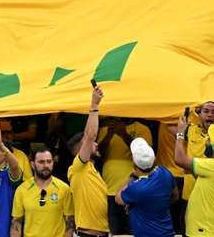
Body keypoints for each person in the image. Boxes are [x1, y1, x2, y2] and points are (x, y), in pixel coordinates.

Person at [67, 84, 109, 237]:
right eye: (92, 143)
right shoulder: (77, 168)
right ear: (82, 147)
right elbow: (90, 135)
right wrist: (94, 105)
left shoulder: (93, 170)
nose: (96, 144)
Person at [98, 117, 153, 234]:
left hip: (133, 188)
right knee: (113, 230)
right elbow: (98, 154)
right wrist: (109, 135)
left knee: (133, 230)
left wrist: (123, 134)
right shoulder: (105, 128)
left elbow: (145, 157)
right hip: (109, 189)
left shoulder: (142, 129)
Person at [114, 138, 175, 237]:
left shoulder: (136, 188)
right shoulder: (165, 173)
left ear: (134, 164)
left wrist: (133, 176)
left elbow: (118, 197)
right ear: (154, 159)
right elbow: (175, 195)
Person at [11, 148, 74, 237]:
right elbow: (16, 224)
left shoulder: (64, 189)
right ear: (32, 164)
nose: (46, 165)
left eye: (49, 161)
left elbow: (70, 223)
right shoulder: (22, 190)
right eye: (41, 162)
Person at [175, 109, 214, 235]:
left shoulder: (210, 166)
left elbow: (179, 159)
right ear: (199, 114)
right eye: (206, 111)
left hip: (202, 231)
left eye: (210, 141)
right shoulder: (191, 130)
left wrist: (180, 134)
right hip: (191, 198)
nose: (207, 142)